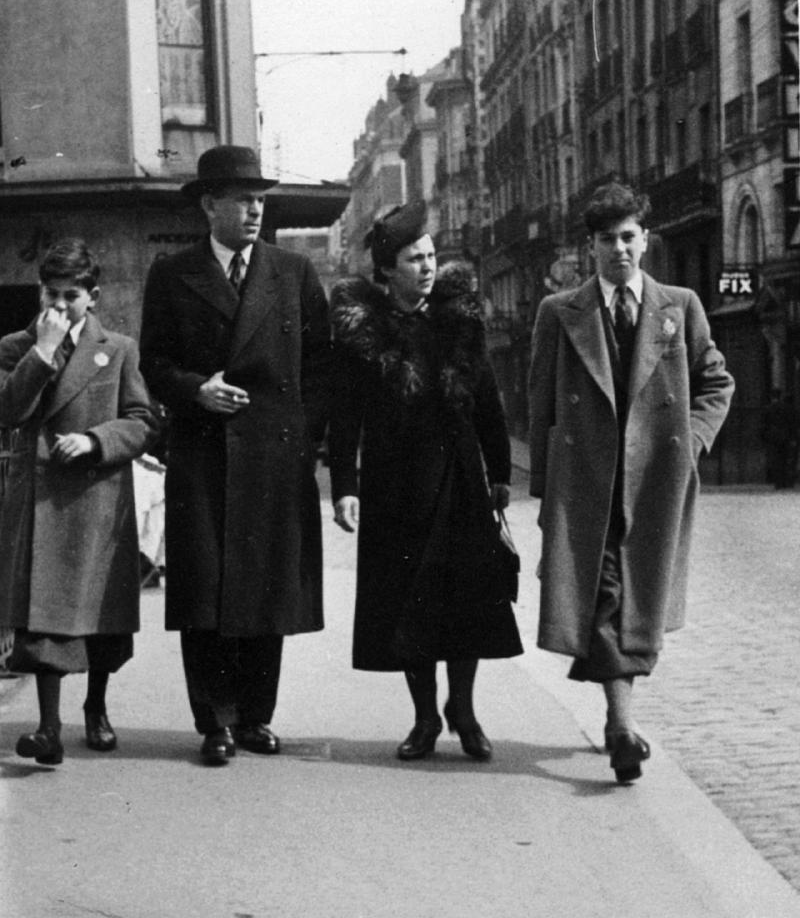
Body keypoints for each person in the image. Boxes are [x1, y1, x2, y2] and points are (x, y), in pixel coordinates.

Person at [528, 181, 734, 783]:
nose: (618, 249)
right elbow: (541, 403)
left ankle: (619, 719)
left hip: (655, 482)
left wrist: (690, 446)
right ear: (589, 247)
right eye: (605, 240)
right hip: (586, 480)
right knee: (604, 591)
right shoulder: (560, 311)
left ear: (645, 240)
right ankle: (622, 726)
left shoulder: (680, 305)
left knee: (636, 594)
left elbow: (716, 383)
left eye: (627, 237)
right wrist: (545, 490)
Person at [139, 145, 330, 766]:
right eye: (242, 199)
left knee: (267, 587)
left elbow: (321, 364)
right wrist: (196, 389)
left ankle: (255, 716)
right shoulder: (172, 273)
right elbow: (153, 363)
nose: (254, 210)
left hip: (274, 457)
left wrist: (305, 438)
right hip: (204, 452)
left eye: (259, 199)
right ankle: (213, 721)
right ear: (209, 205)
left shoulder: (292, 272)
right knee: (205, 589)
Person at [328, 201, 522, 762]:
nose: (428, 267)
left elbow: (487, 400)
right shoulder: (365, 330)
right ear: (388, 269)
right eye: (415, 259)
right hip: (395, 482)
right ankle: (424, 718)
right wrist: (346, 485)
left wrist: (501, 471)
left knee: (467, 600)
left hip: (461, 478)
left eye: (432, 255)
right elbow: (346, 416)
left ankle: (464, 710)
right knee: (407, 602)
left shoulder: (458, 319)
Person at [0, 239, 157, 765]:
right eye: (51, 293)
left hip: (96, 499)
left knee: (102, 622)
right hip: (42, 499)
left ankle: (97, 706)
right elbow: (9, 412)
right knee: (43, 623)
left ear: (94, 296)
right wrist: (41, 355)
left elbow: (141, 421)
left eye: (71, 295)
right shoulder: (14, 347)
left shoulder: (118, 349)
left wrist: (94, 440)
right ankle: (48, 729)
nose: (60, 306)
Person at [762, 389, 799, 489]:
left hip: (773, 437)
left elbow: (764, 425)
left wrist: (764, 437)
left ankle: (778, 483)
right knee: (786, 459)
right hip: (786, 437)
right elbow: (793, 424)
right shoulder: (788, 408)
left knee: (776, 460)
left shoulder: (768, 409)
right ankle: (787, 482)